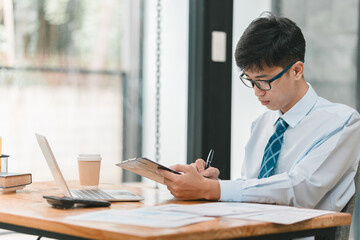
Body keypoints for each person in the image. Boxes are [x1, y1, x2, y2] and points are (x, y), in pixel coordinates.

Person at [159, 12, 360, 212]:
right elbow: (255, 189)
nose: (256, 91)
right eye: (250, 81)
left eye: (264, 81)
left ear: (297, 71)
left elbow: (299, 191)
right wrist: (212, 184)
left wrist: (215, 189)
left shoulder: (342, 122)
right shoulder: (262, 123)